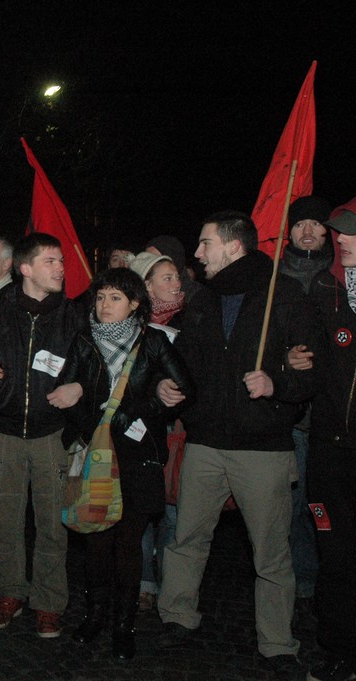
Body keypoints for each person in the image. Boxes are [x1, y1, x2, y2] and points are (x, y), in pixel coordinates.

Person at [156, 211, 314, 676]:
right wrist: (169, 389)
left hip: (262, 449)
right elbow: (184, 363)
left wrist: (277, 383)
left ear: (232, 246)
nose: (198, 254)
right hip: (204, 443)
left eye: (206, 244)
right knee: (186, 539)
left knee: (271, 554)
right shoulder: (202, 300)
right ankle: (177, 615)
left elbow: (311, 372)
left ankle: (278, 641)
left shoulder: (283, 296)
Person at [52, 267, 194, 660]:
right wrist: (94, 425)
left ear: (134, 304)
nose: (104, 306)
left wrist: (141, 410)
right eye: (100, 298)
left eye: (114, 298)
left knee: (128, 544)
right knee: (96, 539)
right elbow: (67, 395)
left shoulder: (153, 342)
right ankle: (95, 615)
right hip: (95, 453)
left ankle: (123, 624)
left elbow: (186, 390)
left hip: (138, 455)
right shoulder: (83, 341)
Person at [0, 233, 86, 638]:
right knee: (4, 522)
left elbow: (98, 368)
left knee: (52, 526)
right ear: (25, 269)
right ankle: (7, 593)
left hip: (52, 436)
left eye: (61, 261)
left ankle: (48, 601)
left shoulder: (76, 316)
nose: (61, 268)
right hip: (5, 435)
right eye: (51, 261)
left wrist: (81, 388)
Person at [302, 204, 356, 681]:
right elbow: (309, 350)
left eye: (352, 234)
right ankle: (339, 649)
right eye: (338, 232)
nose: (340, 239)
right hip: (329, 446)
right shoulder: (324, 287)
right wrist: (295, 363)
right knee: (335, 554)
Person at [277, 195, 333, 601]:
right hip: (292, 415)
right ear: (289, 232)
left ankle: (333, 582)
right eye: (300, 224)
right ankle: (299, 583)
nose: (308, 231)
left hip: (336, 416)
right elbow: (256, 339)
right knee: (293, 506)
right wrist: (284, 357)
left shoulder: (341, 276)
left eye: (316, 223)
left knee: (329, 505)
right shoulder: (274, 278)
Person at [127, 251, 187, 611]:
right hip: (141, 432)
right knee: (143, 505)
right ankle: (144, 581)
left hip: (179, 432)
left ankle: (173, 585)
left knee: (176, 511)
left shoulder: (194, 321)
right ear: (146, 286)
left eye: (177, 276)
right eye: (166, 278)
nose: (175, 283)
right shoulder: (130, 329)